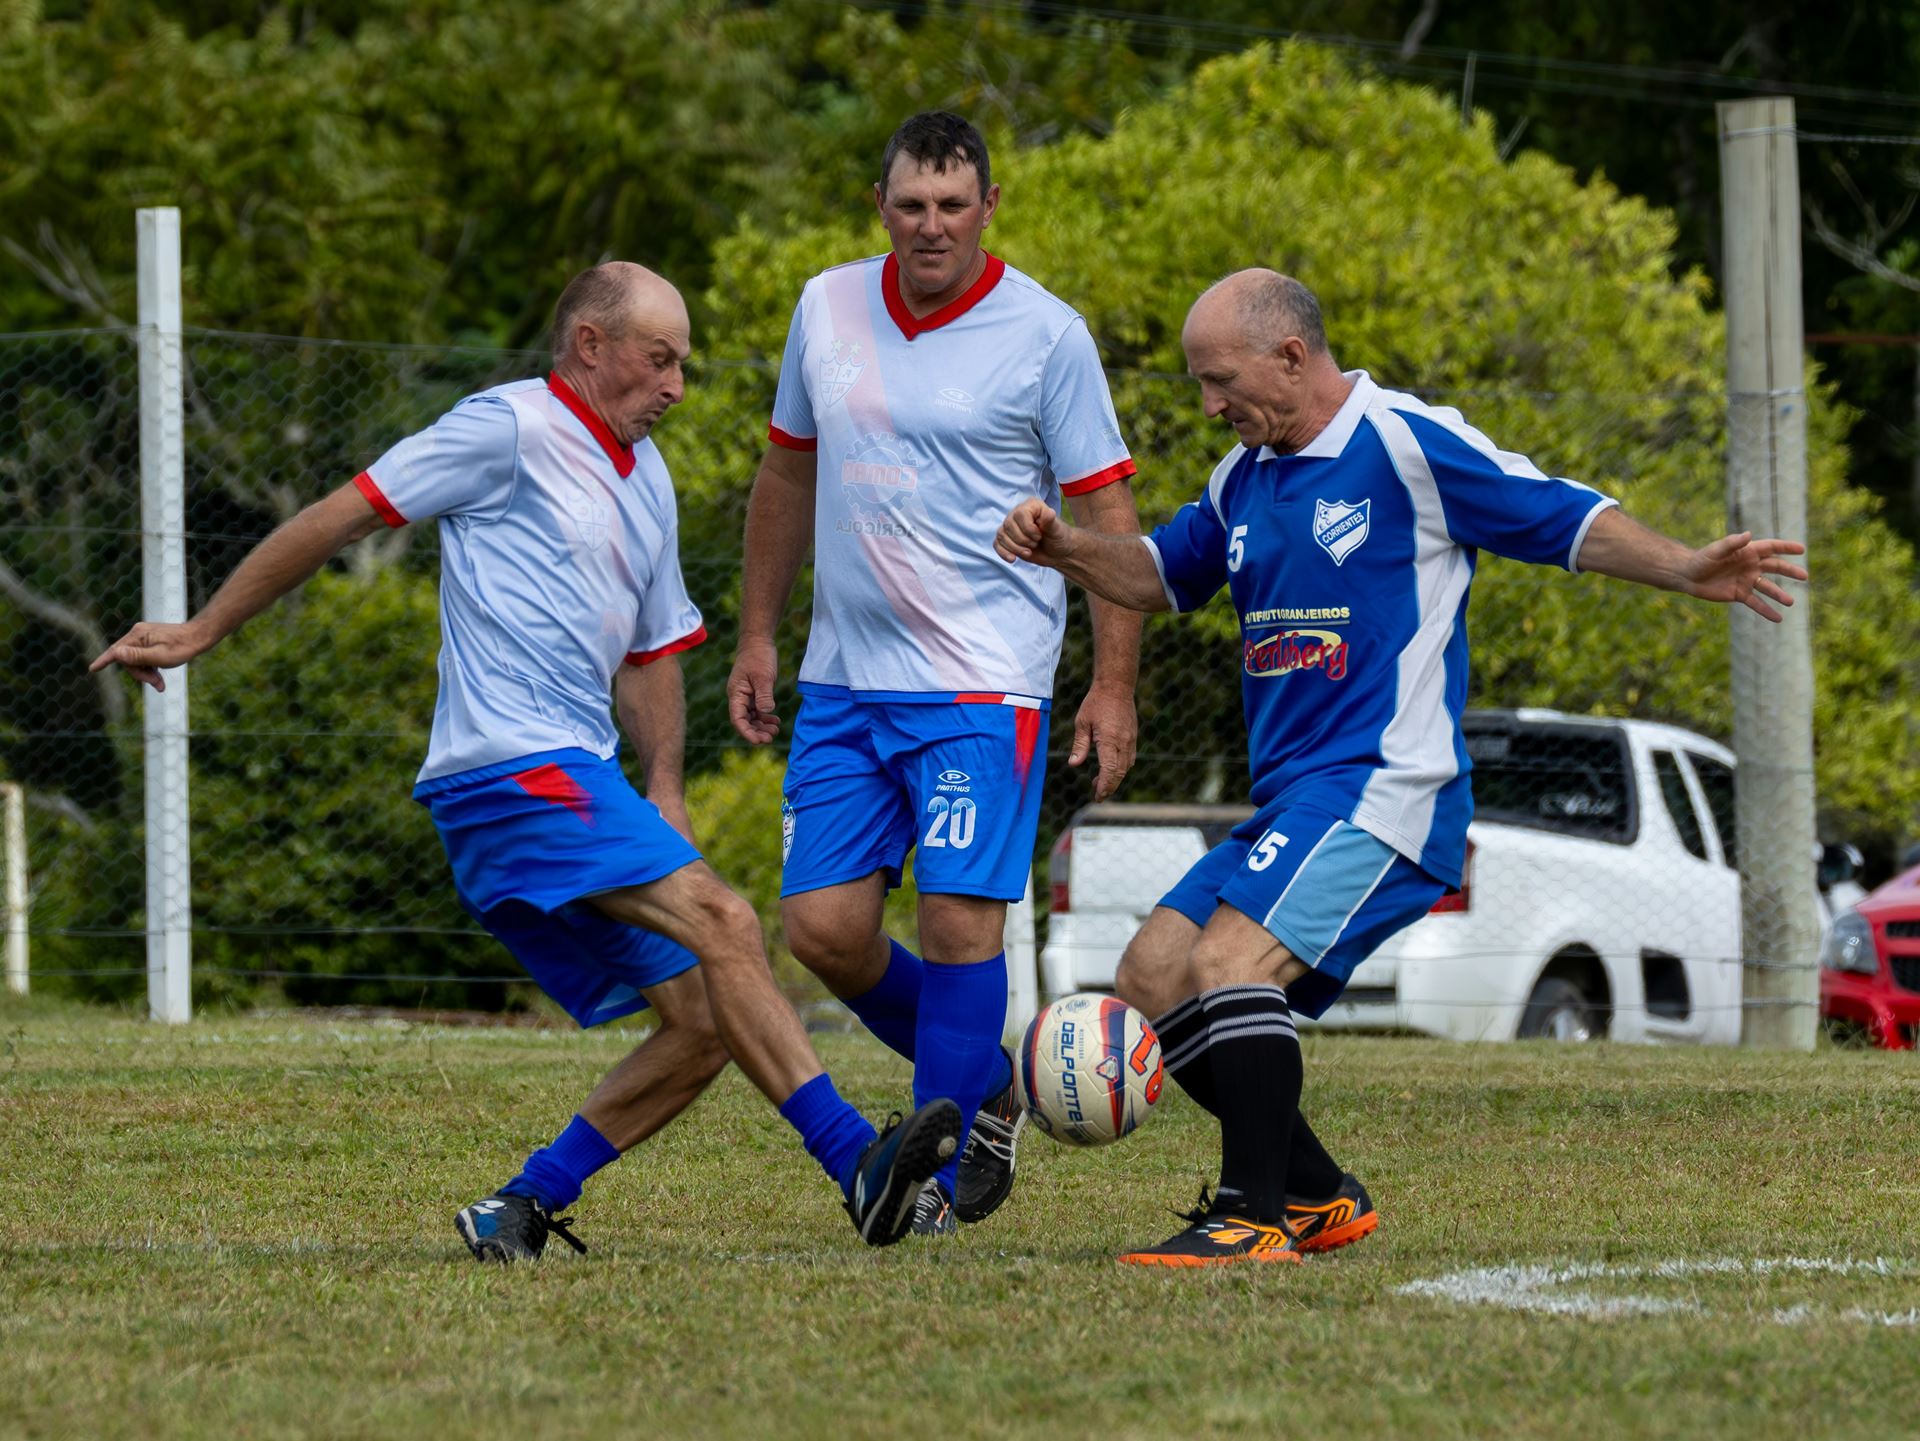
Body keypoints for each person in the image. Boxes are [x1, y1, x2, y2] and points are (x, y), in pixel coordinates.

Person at [91, 262, 962, 1260]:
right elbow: (344, 513)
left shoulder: (653, 481)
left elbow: (650, 656)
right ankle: (859, 1162)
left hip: (573, 778)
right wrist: (203, 629)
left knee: (704, 1019)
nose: (677, 384)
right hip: (509, 770)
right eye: (659, 357)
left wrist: (666, 789)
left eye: (684, 363)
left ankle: (519, 1206)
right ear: (590, 345)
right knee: (726, 921)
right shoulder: (504, 428)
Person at [994, 269, 1808, 1266]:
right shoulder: (1240, 477)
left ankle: (1252, 1219)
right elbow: (1163, 576)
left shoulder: (1406, 443)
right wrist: (1064, 548)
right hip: (1299, 798)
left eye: (1219, 380)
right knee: (1153, 973)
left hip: (1388, 788)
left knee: (1227, 964)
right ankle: (1319, 1194)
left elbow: (1562, 515)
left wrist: (1684, 565)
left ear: (1292, 358)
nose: (1210, 404)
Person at [727, 112, 1145, 1233]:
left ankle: (937, 1175)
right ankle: (991, 1085)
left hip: (983, 679)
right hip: (845, 681)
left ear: (989, 207)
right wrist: (759, 634)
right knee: (822, 928)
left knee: (962, 927)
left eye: (953, 206)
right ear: (881, 206)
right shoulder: (824, 305)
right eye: (911, 205)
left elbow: (1107, 512)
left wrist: (1113, 685)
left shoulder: (1047, 334)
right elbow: (784, 474)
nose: (931, 226)